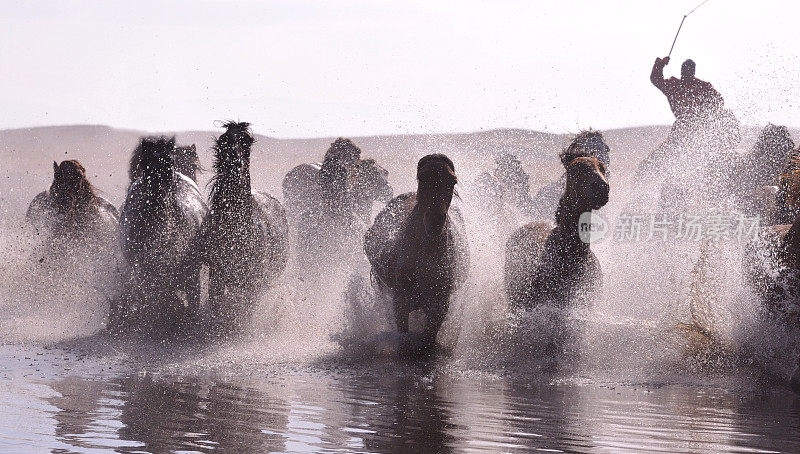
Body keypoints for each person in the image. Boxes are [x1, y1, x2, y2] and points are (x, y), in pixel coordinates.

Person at [650, 56, 724, 122]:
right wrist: (660, 65)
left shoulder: (674, 85)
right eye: (686, 70)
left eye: (688, 70)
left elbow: (719, 101)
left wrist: (707, 115)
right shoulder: (674, 85)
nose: (686, 73)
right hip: (684, 124)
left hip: (700, 123)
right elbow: (656, 80)